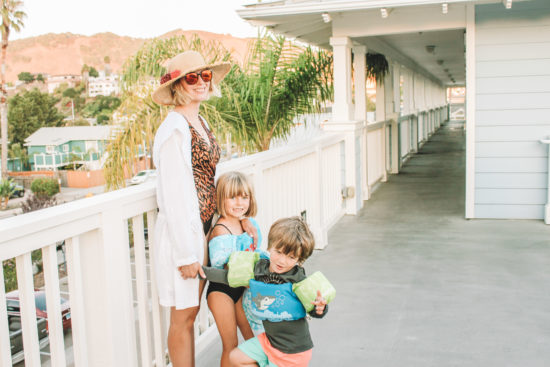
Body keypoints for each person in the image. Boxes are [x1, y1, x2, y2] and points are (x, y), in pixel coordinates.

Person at [151, 50, 257, 367]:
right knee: (183, 317)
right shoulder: (173, 129)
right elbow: (174, 194)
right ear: (177, 86)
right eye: (192, 77)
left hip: (201, 232)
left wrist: (239, 217)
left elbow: (208, 180)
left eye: (205, 76)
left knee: (192, 312)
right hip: (182, 238)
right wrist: (185, 254)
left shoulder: (199, 120)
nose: (200, 83)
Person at [203, 217, 329, 367]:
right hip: (269, 341)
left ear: (299, 259)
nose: (282, 261)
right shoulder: (260, 268)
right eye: (279, 252)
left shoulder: (298, 279)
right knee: (236, 357)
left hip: (293, 351)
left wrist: (320, 308)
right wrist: (200, 271)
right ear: (270, 247)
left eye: (291, 257)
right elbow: (228, 276)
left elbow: (314, 306)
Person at [207, 171, 266, 366]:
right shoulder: (220, 230)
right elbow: (224, 266)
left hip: (244, 289)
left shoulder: (248, 225)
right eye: (232, 197)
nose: (239, 202)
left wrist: (245, 221)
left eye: (244, 197)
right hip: (222, 290)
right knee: (230, 344)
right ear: (221, 198)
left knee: (253, 341)